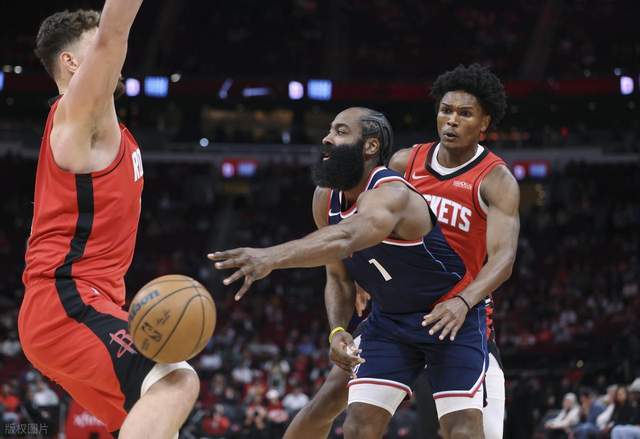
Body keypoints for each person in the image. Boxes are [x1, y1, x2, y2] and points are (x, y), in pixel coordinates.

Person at [211, 107, 488, 438]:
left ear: (370, 146)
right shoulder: (324, 198)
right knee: (349, 421)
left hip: (449, 318)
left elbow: (346, 238)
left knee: (461, 431)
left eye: (341, 132)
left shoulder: (392, 194)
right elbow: (339, 277)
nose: (327, 138)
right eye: (330, 130)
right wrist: (338, 330)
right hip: (391, 321)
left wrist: (270, 257)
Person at [284, 63, 519, 439]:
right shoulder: (404, 162)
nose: (451, 120)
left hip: (455, 317)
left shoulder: (495, 179)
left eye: (464, 113)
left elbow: (503, 259)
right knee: (328, 401)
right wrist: (362, 274)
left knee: (477, 433)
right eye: (446, 110)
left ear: (484, 123)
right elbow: (369, 221)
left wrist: (463, 302)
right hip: (397, 314)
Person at [17, 4, 198, 438]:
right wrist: (111, 31)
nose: (117, 56)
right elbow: (114, 32)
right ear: (71, 62)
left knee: (155, 419)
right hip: (66, 303)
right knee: (176, 381)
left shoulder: (101, 126)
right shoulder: (77, 114)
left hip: (85, 304)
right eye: (94, 44)